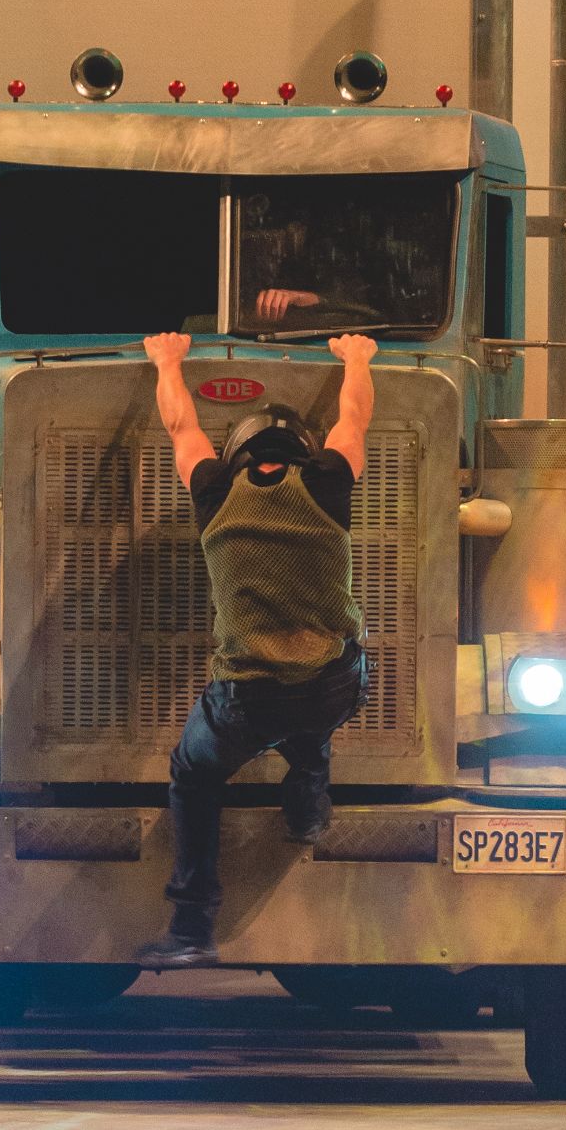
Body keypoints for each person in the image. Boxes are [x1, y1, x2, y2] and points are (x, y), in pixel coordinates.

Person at [137, 329, 378, 968]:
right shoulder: (328, 482)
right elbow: (354, 415)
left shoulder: (213, 492)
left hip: (248, 700)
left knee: (194, 773)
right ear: (302, 452)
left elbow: (180, 424)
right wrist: (356, 358)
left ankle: (192, 930)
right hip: (333, 686)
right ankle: (307, 795)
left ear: (238, 456)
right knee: (326, 686)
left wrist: (168, 360)